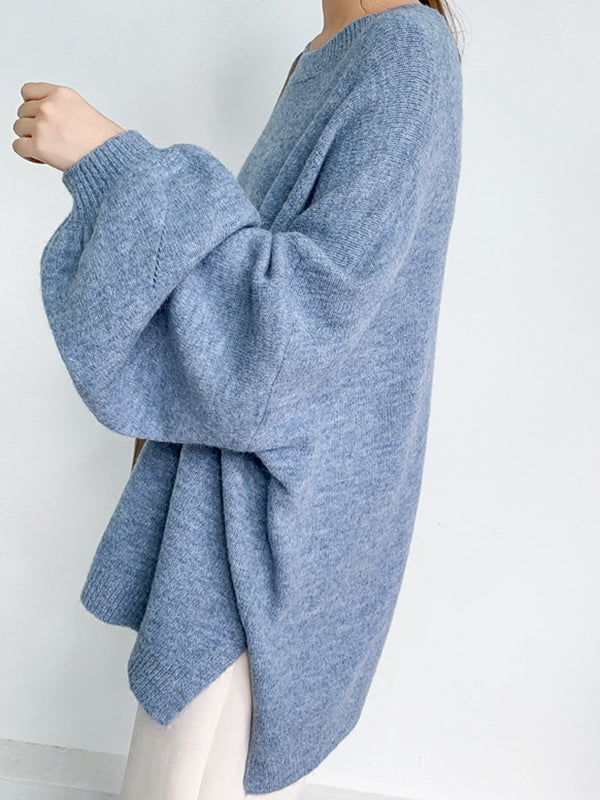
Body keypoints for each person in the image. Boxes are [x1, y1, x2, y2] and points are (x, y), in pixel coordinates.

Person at [13, 0, 464, 796]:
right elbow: (251, 285)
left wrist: (114, 161)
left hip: (264, 522)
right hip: (225, 501)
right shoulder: (325, 53)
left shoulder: (404, 53)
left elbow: (292, 329)